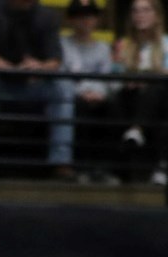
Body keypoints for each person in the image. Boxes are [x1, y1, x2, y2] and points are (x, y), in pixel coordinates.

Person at [0, 0, 70, 181]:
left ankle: (61, 161)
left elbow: (55, 60)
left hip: (31, 85)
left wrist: (39, 67)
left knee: (63, 86)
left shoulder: (47, 15)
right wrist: (15, 70)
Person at [111, 0, 168, 186]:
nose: (140, 15)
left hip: (159, 101)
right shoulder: (123, 44)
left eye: (146, 10)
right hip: (130, 97)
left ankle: (138, 132)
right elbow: (114, 73)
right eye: (136, 11)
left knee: (156, 90)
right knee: (115, 100)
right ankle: (122, 170)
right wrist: (129, 81)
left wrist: (145, 77)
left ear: (157, 15)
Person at [60, 0, 117, 184]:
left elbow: (106, 77)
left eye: (89, 16)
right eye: (79, 16)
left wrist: (99, 93)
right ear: (70, 20)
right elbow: (62, 76)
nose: (85, 20)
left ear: (96, 20)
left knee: (112, 108)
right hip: (73, 96)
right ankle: (81, 167)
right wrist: (82, 92)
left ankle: (103, 169)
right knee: (77, 108)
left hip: (99, 96)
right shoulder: (62, 45)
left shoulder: (103, 48)